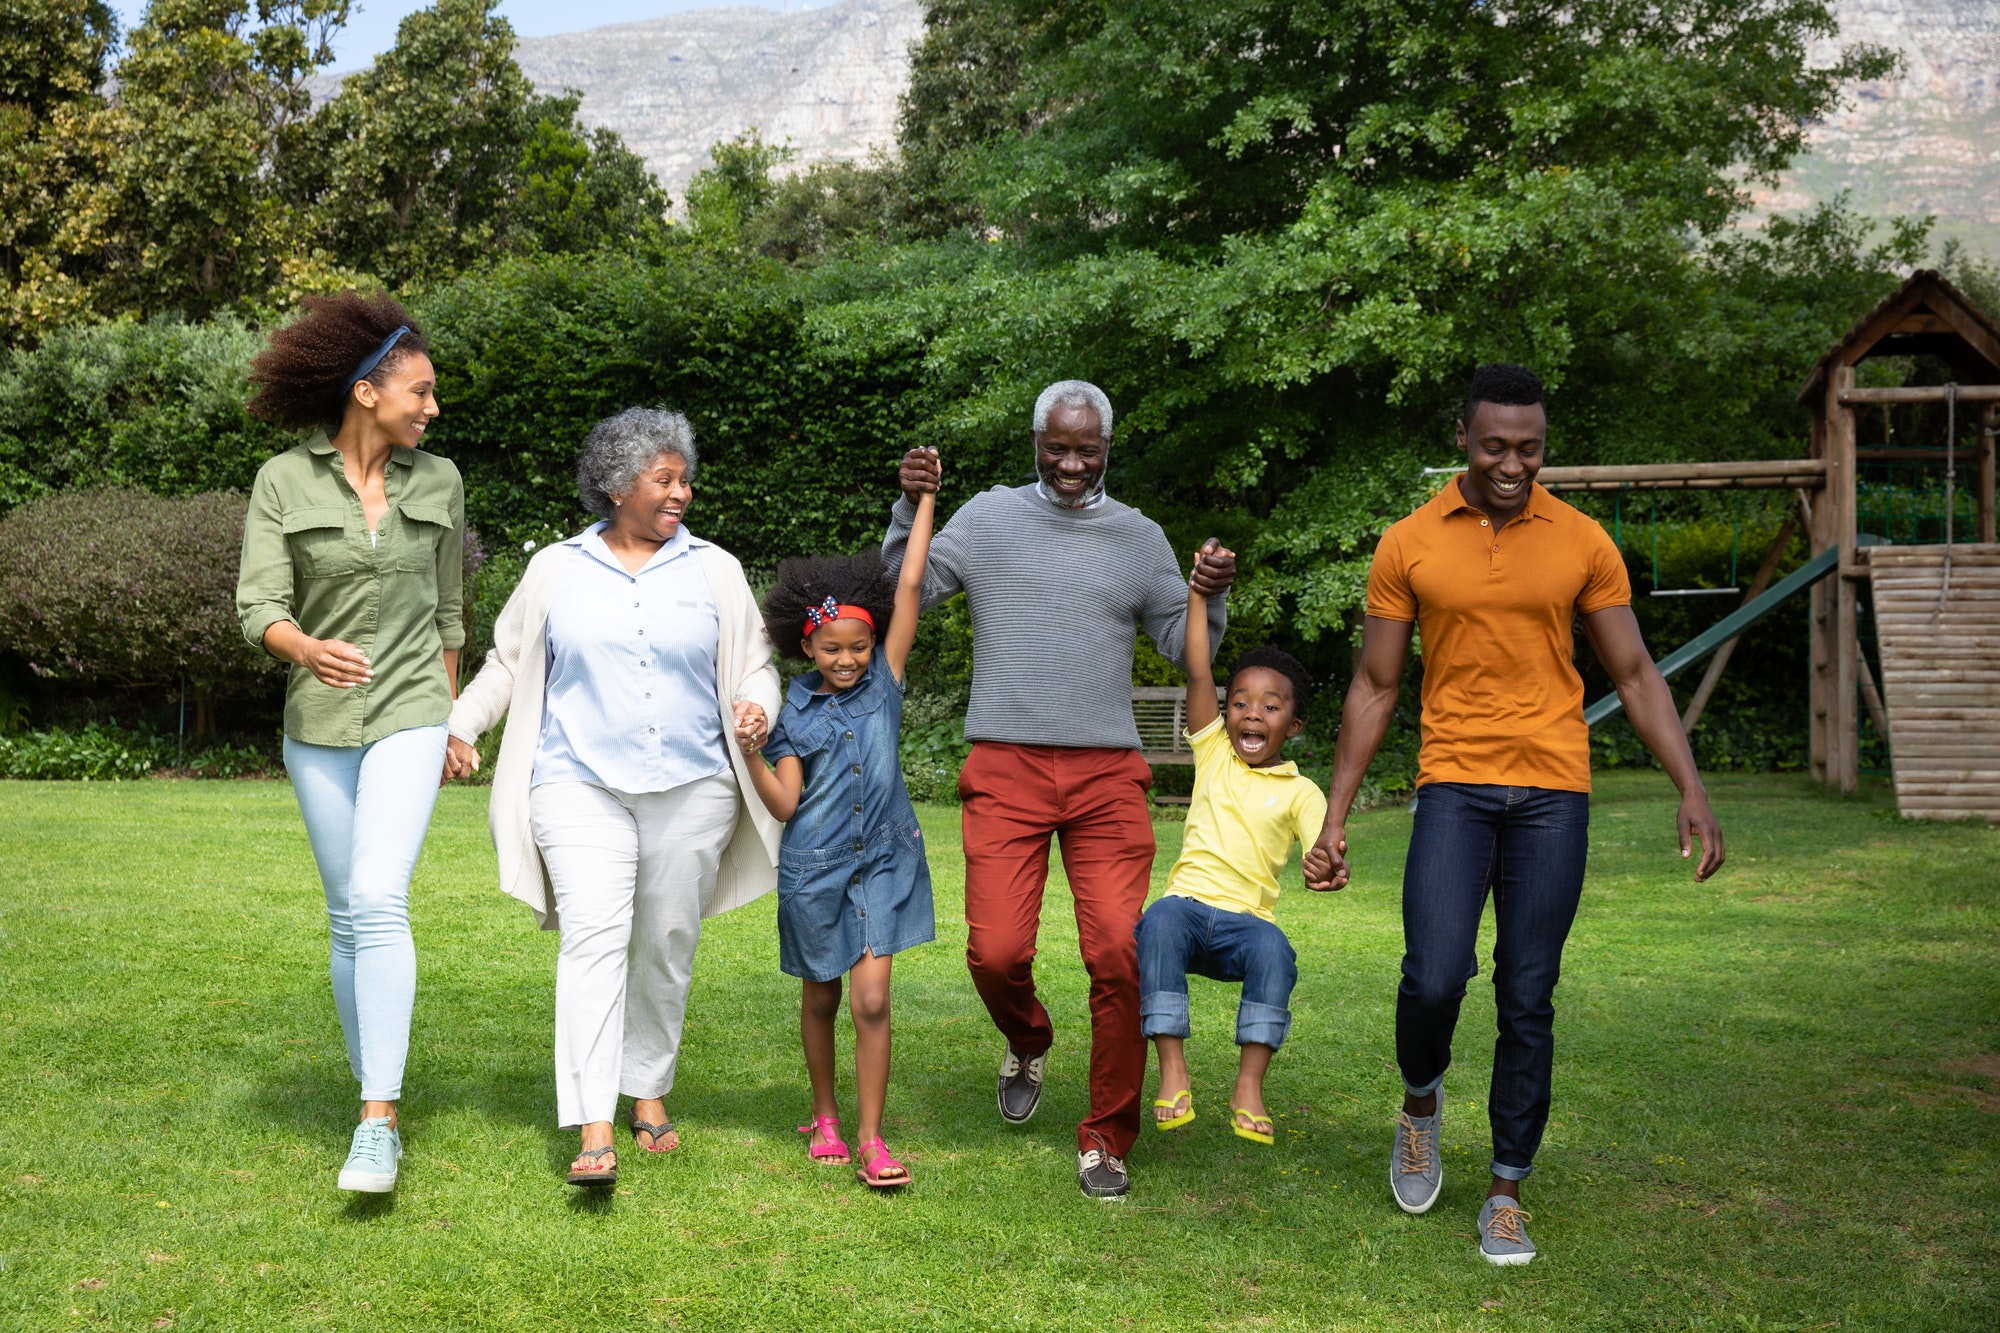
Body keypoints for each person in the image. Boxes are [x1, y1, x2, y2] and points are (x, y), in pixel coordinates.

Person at [1303, 363, 1725, 1265]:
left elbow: (1636, 673)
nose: (1512, 462)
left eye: (1529, 447)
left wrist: (1689, 784)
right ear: (1462, 436)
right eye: (1495, 444)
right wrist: (1335, 815)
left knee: (1528, 992)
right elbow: (1377, 684)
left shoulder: (1581, 540)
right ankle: (1421, 1101)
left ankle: (1505, 1187)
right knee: (1434, 977)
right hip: (1453, 784)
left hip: (1552, 794)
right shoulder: (1409, 542)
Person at [885, 380, 1237, 1201]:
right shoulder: (987, 517)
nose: (1072, 463)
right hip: (1005, 763)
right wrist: (911, 508)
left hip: (1106, 773)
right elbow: (909, 584)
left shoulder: (1140, 537)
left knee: (1118, 952)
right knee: (996, 951)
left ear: (1109, 448)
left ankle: (1106, 1135)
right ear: (1035, 440)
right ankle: (1029, 1035)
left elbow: (1186, 652)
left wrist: (1207, 595)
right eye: (1058, 447)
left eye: (1088, 450)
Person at [444, 408, 781, 1189]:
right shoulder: (557, 569)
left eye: (683, 479)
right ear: (616, 484)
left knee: (665, 941)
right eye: (664, 479)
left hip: (695, 785)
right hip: (576, 781)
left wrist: (759, 702)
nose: (681, 493)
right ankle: (595, 1117)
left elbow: (757, 663)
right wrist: (462, 725)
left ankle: (649, 1087)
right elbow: (507, 661)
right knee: (592, 937)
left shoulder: (715, 570)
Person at [237, 291, 464, 1194]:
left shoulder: (440, 482)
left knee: (378, 896)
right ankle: (373, 1092)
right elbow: (259, 605)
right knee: (345, 916)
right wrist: (304, 647)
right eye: (421, 390)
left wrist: (450, 720)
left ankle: (378, 1120)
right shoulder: (282, 482)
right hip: (318, 725)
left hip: (411, 708)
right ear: (369, 391)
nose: (432, 407)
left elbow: (449, 615)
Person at [736, 485, 939, 1190]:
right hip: (814, 870)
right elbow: (787, 804)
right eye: (833, 648)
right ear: (809, 644)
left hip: (884, 862)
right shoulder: (792, 711)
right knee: (821, 997)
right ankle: (824, 1113)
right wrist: (753, 755)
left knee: (873, 999)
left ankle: (871, 1138)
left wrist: (923, 502)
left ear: (874, 642)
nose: (848, 658)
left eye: (858, 645)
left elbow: (910, 581)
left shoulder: (886, 682)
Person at [1137, 546, 1327, 1146]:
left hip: (1248, 924)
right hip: (1188, 911)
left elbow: (1323, 848)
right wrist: (1198, 593)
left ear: (1292, 726)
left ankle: (1249, 1086)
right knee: (1157, 920)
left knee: (1277, 951)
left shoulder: (1302, 791)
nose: (1251, 714)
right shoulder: (1213, 751)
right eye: (1241, 701)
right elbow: (1197, 670)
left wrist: (1327, 864)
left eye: (1270, 707)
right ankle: (1173, 1074)